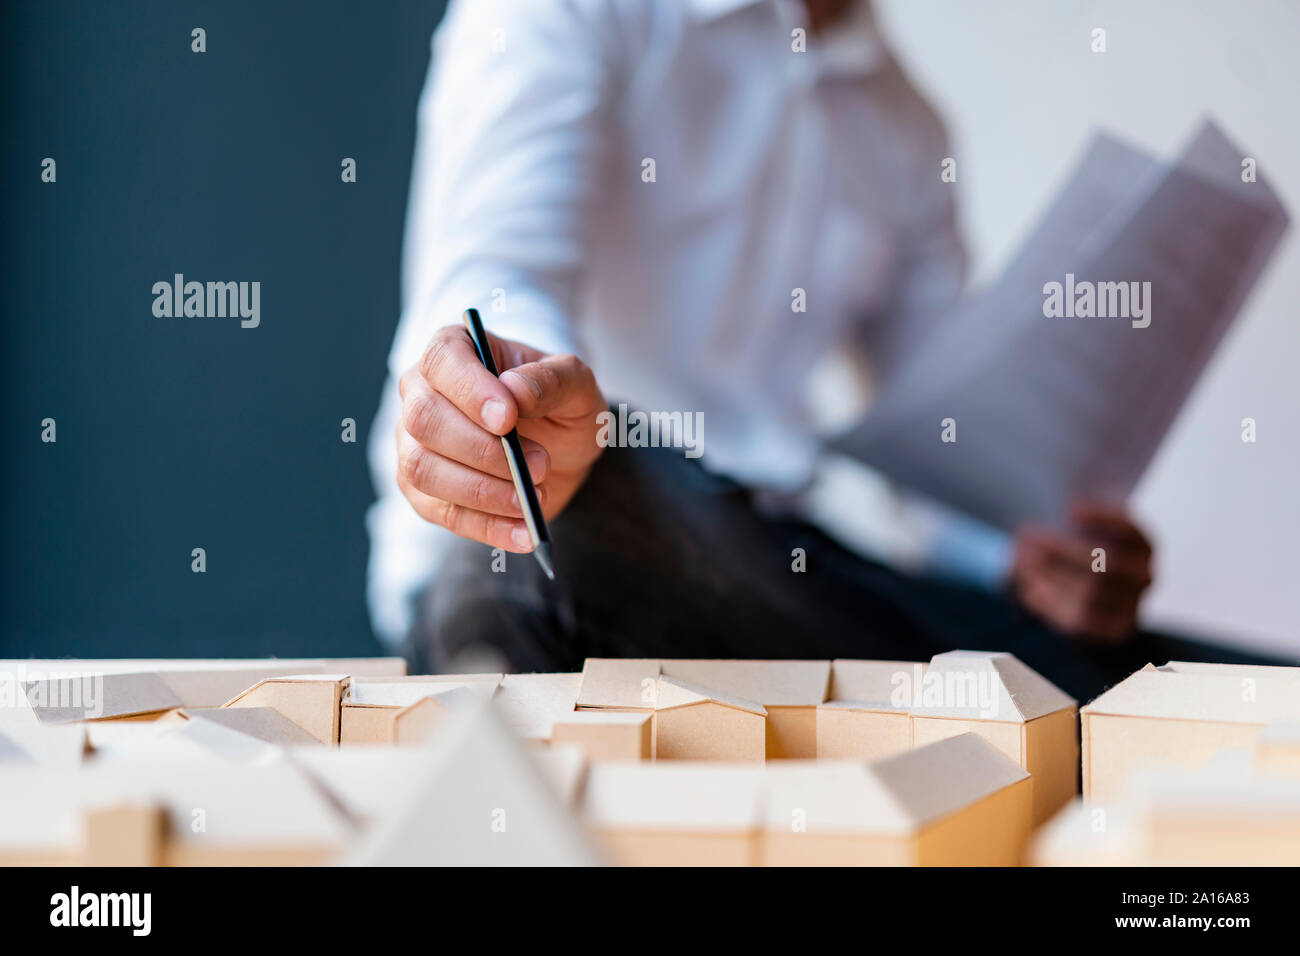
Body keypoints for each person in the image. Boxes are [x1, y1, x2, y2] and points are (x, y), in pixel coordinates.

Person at [366, 0, 1272, 703]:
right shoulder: (573, 13)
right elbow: (494, 265)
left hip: (764, 580)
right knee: (576, 511)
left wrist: (1032, 561)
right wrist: (519, 402)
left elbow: (947, 455)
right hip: (571, 541)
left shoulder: (903, 127)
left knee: (1199, 685)